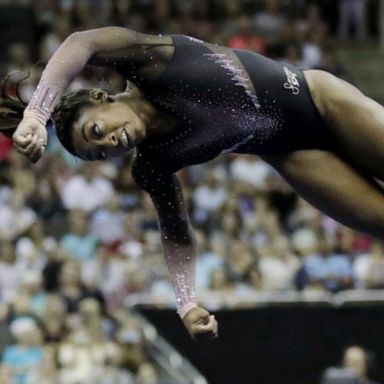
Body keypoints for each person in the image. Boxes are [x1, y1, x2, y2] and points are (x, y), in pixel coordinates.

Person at [3, 27, 384, 340]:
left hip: (319, 99)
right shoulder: (153, 163)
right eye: (99, 153)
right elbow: (176, 233)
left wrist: (38, 113)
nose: (109, 143)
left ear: (102, 98)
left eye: (96, 130)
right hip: (293, 152)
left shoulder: (154, 64)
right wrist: (186, 303)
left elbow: (81, 42)